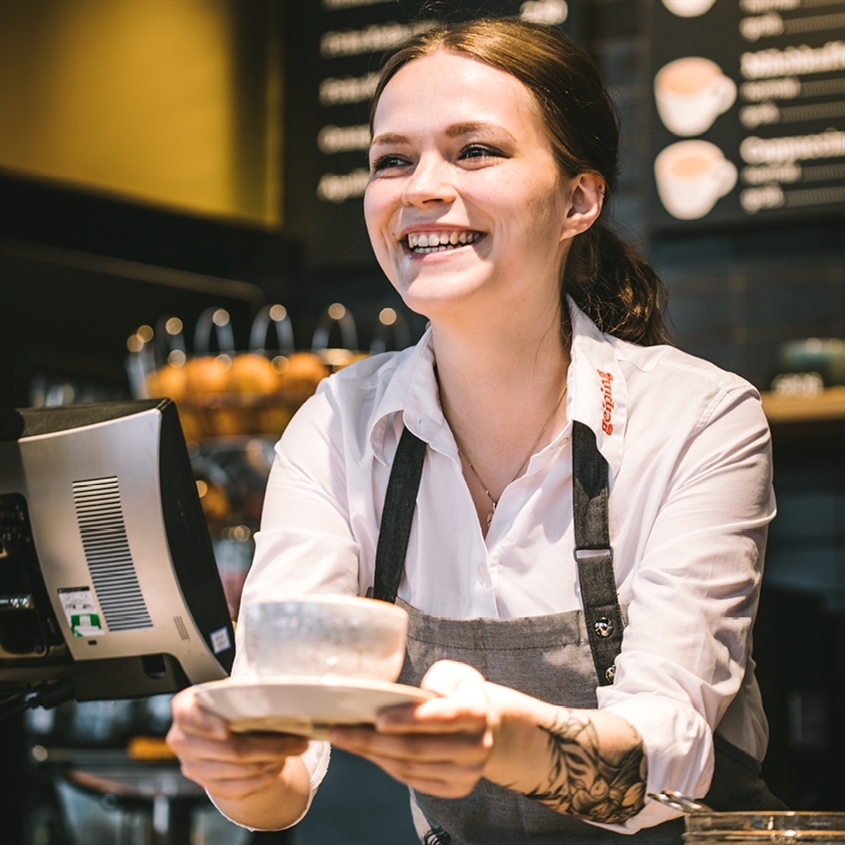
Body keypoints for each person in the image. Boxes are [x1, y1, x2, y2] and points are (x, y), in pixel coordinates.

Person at [168, 18, 782, 843]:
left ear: (577, 199)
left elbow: (670, 755)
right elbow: (281, 763)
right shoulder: (338, 423)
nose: (420, 187)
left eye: (475, 151)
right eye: (392, 158)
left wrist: (499, 739)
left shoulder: (698, 419)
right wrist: (239, 766)